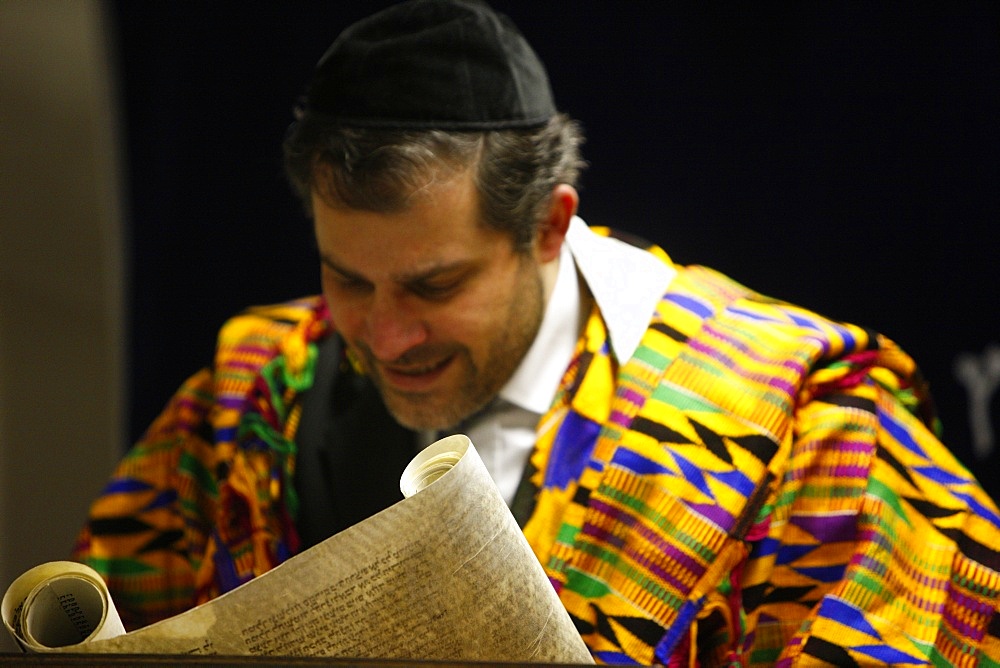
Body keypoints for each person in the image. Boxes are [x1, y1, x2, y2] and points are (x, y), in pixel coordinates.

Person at [73, 0, 1000, 664]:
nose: (385, 337)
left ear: (550, 227)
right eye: (347, 279)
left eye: (435, 285)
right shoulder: (254, 389)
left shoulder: (800, 415)